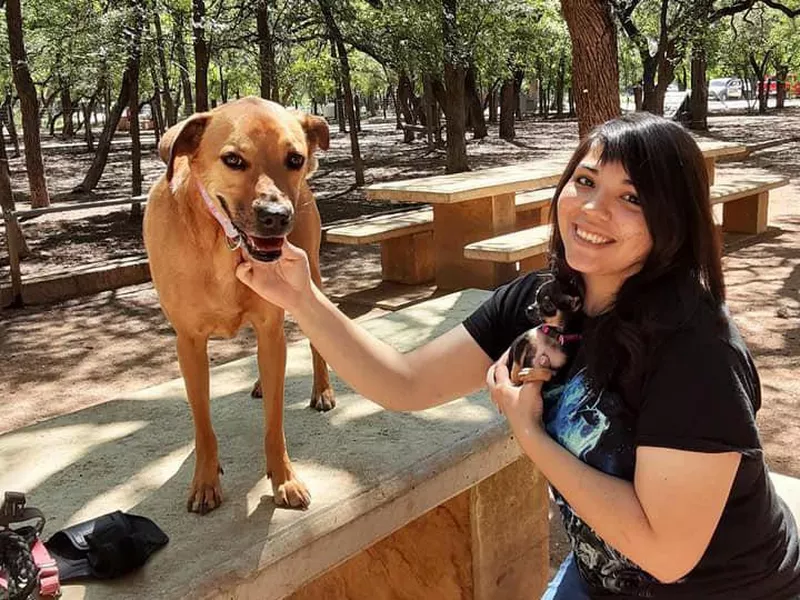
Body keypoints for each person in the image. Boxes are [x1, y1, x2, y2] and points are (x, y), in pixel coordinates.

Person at [235, 113, 800, 599]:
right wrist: (302, 299)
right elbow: (403, 382)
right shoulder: (542, 300)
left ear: (672, 220)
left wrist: (529, 435)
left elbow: (666, 552)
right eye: (584, 180)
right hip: (599, 580)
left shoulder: (695, 349)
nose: (592, 209)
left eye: (631, 197)